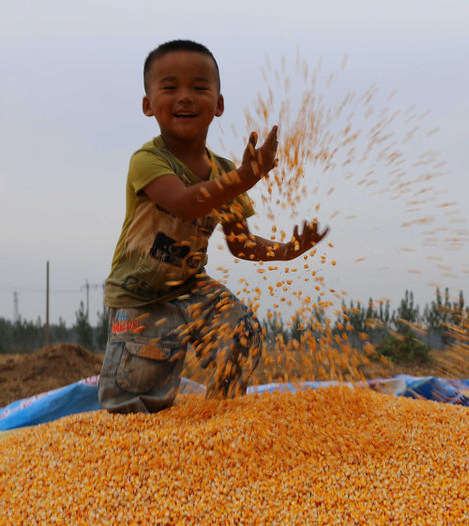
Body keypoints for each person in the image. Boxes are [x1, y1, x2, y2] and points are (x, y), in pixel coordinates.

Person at [99, 39, 326, 414]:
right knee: (139, 397)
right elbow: (187, 205)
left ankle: (219, 419)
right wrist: (246, 177)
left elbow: (240, 244)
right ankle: (131, 450)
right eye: (170, 88)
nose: (185, 97)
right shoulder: (148, 160)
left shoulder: (223, 171)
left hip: (191, 287)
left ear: (219, 104)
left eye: (199, 88)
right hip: (141, 296)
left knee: (241, 332)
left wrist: (287, 250)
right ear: (147, 104)